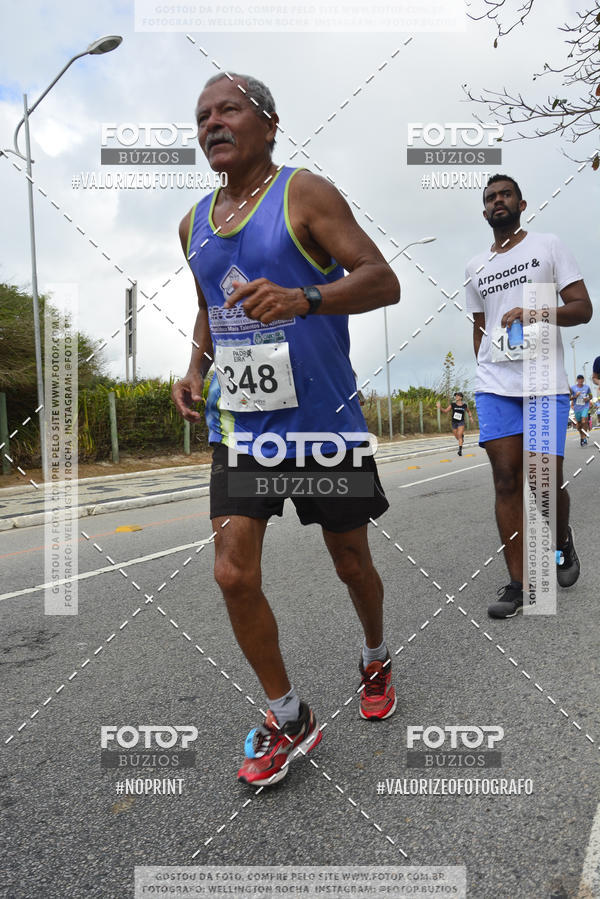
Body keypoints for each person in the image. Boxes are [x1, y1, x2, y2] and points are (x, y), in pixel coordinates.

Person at [172, 72, 400, 787]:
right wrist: (195, 366)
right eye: (202, 115)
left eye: (228, 109)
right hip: (242, 422)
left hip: (321, 420)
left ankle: (374, 654)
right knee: (232, 571)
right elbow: (213, 304)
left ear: (269, 124)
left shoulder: (305, 193)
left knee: (351, 563)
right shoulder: (193, 223)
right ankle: (288, 713)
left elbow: (381, 279)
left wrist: (305, 297)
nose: (213, 122)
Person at [465, 174, 593, 619]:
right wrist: (482, 365)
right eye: (490, 198)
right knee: (505, 479)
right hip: (495, 384)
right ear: (484, 212)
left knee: (542, 481)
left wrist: (535, 311)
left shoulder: (547, 246)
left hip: (543, 380)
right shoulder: (475, 266)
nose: (498, 202)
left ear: (521, 203)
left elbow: (582, 309)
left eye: (505, 195)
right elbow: (479, 327)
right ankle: (519, 584)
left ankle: (560, 539)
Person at [569, 375, 593, 446]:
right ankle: (581, 437)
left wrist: (588, 399)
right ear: (577, 380)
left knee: (584, 421)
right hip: (577, 409)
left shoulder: (587, 387)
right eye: (579, 379)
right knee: (579, 425)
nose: (580, 381)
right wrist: (575, 396)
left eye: (582, 379)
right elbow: (569, 398)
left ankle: (584, 438)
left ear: (583, 380)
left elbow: (591, 396)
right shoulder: (573, 388)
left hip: (585, 407)